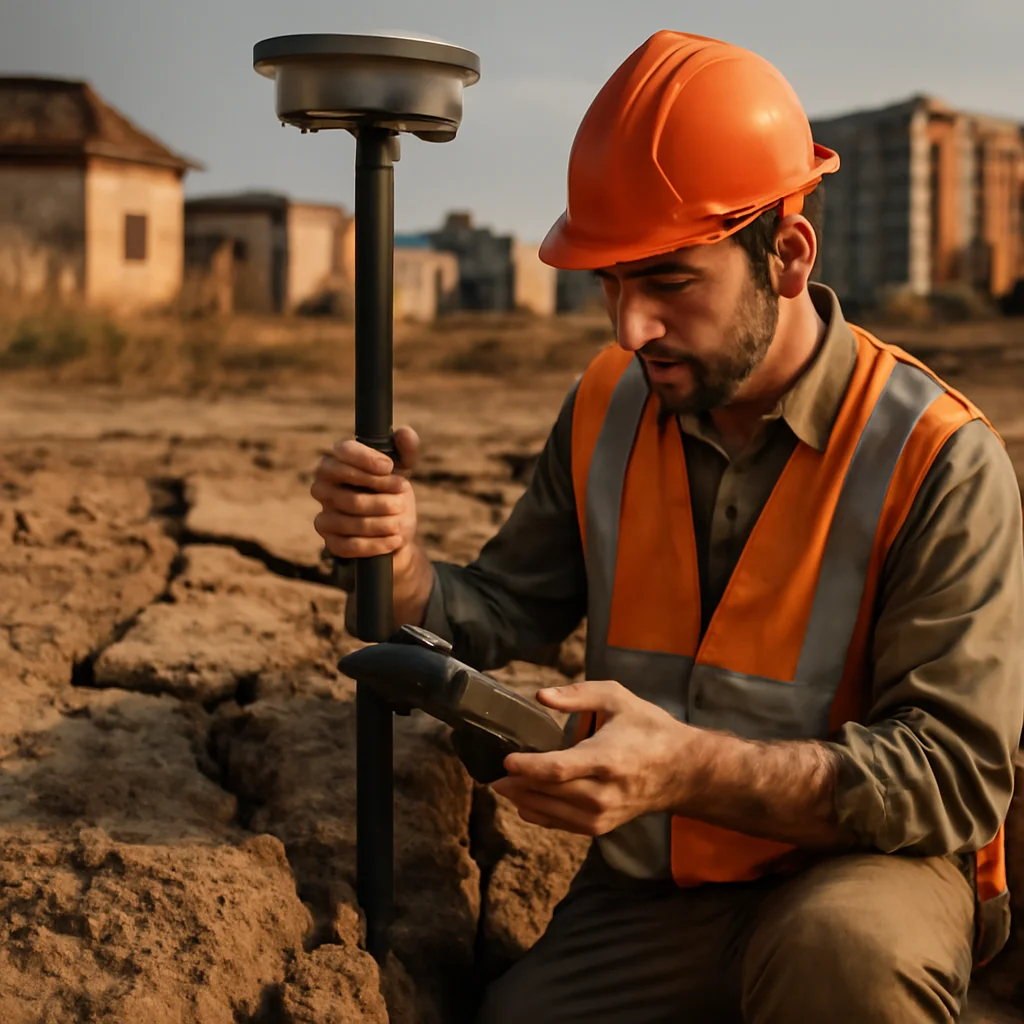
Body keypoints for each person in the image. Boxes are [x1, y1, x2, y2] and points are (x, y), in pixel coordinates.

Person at [311, 30, 1024, 1024]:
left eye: (668, 283)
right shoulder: (610, 401)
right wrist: (406, 564)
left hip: (864, 875)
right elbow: (508, 606)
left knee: (844, 961)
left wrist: (686, 767)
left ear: (786, 253)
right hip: (654, 891)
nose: (625, 327)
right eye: (608, 282)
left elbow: (951, 778)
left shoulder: (937, 456)